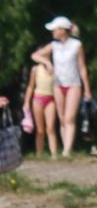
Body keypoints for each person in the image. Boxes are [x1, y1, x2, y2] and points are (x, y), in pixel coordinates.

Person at [29, 16, 90, 156]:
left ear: (62, 30)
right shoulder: (54, 45)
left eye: (55, 29)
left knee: (69, 118)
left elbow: (82, 67)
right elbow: (35, 55)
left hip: (73, 84)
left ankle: (67, 150)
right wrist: (47, 62)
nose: (53, 32)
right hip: (58, 84)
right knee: (62, 118)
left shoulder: (76, 45)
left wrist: (87, 89)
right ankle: (65, 147)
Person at [23, 56, 59, 156]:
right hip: (38, 99)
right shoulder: (35, 69)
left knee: (51, 128)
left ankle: (54, 154)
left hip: (51, 99)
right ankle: (39, 154)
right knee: (40, 129)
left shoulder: (55, 69)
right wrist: (26, 102)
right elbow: (31, 86)